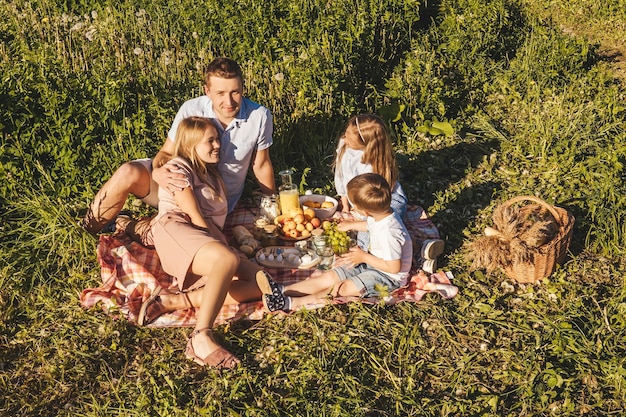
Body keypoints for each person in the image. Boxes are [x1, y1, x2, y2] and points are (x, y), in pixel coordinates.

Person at [81, 57, 276, 240]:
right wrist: (157, 171)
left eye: (235, 92)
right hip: (180, 187)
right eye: (220, 93)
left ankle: (125, 223)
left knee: (168, 236)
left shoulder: (259, 116)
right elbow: (166, 152)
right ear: (207, 91)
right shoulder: (192, 109)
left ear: (243, 88)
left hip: (214, 202)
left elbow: (261, 164)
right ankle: (85, 231)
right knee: (128, 172)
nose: (229, 101)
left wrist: (274, 206)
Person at [140, 116, 281, 368]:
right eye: (210, 141)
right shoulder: (178, 167)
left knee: (262, 282)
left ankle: (173, 301)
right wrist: (225, 254)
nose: (218, 145)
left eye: (218, 139)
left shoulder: (213, 175)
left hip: (205, 239)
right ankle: (201, 336)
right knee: (225, 260)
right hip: (177, 228)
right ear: (192, 144)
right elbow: (193, 215)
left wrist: (229, 250)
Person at [262, 173, 413, 312]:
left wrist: (364, 257)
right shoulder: (382, 214)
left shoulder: (390, 233)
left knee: (341, 288)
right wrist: (351, 225)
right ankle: (282, 289)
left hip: (388, 277)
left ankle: (289, 303)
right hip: (373, 263)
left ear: (365, 212)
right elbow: (371, 226)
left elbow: (394, 267)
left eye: (354, 205)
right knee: (330, 277)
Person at [333, 113, 444, 272]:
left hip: (386, 199)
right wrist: (345, 204)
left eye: (350, 136)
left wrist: (368, 215)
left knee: (376, 233)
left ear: (366, 142)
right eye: (347, 132)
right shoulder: (345, 144)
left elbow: (379, 198)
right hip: (363, 201)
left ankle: (418, 254)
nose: (345, 136)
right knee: (368, 232)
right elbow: (341, 175)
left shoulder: (374, 160)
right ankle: (415, 249)